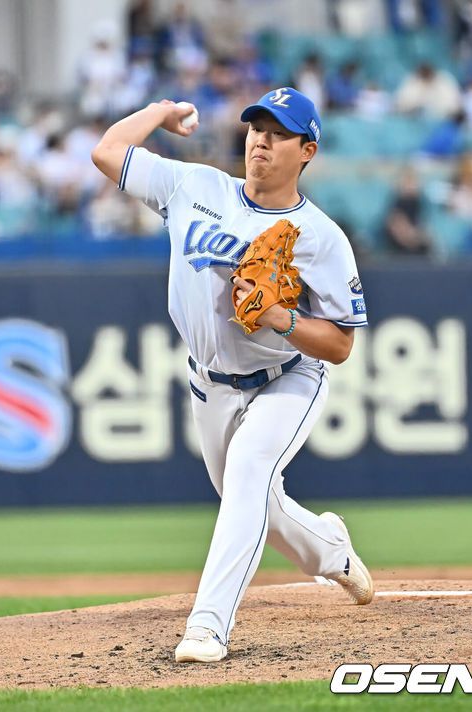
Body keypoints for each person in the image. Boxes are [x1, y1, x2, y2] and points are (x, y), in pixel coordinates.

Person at [91, 87, 373, 664]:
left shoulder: (320, 236)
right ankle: (331, 552)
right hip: (209, 384)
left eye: (278, 133)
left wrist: (280, 317)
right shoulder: (194, 186)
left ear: (307, 150)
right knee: (256, 501)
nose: (261, 141)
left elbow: (341, 344)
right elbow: (107, 152)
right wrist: (161, 112)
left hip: (286, 378)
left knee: (247, 474)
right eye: (256, 129)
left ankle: (208, 627)